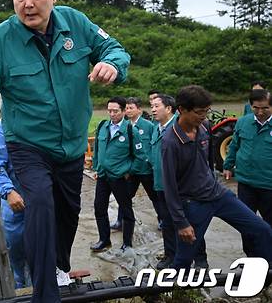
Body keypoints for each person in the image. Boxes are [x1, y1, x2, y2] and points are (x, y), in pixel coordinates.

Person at [0, 0, 130, 303]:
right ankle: (46, 294)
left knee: (69, 214)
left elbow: (115, 49)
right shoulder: (0, 41)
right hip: (28, 145)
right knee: (40, 207)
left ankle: (59, 266)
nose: (27, 4)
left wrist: (111, 65)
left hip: (72, 147)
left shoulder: (75, 23)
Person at [162, 85, 272, 269]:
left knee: (262, 229)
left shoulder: (204, 126)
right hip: (194, 203)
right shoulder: (170, 142)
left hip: (219, 195)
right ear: (181, 110)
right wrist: (181, 223)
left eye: (206, 111)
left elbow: (208, 161)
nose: (204, 116)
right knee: (184, 257)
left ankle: (265, 270)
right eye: (199, 112)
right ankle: (173, 290)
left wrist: (213, 181)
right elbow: (169, 186)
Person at [150, 94, 208, 269]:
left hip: (183, 188)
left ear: (169, 109)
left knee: (191, 223)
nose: (152, 109)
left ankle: (200, 259)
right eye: (151, 106)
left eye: (156, 106)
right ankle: (170, 255)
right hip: (162, 185)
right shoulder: (156, 128)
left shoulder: (182, 128)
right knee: (167, 223)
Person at [223, 89, 272, 256]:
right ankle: (251, 257)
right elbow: (234, 145)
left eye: (265, 108)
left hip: (269, 185)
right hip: (246, 184)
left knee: (269, 224)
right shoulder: (243, 122)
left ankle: (269, 260)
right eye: (256, 108)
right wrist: (228, 166)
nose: (260, 112)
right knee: (246, 223)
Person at [91, 97, 140, 252]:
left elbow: (139, 156)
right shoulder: (103, 126)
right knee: (99, 207)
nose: (112, 114)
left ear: (124, 111)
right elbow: (97, 149)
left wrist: (127, 171)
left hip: (120, 176)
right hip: (103, 175)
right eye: (109, 111)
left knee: (126, 209)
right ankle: (104, 240)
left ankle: (127, 243)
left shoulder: (130, 129)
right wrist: (96, 167)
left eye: (115, 111)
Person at [0, 119, 32, 289]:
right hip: (13, 196)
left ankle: (34, 281)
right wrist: (8, 191)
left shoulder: (41, 120)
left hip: (38, 194)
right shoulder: (3, 126)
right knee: (14, 242)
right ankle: (18, 280)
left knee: (39, 243)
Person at [111, 97, 160, 231]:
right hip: (131, 170)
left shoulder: (148, 126)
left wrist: (152, 163)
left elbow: (154, 145)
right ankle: (120, 221)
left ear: (139, 110)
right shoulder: (124, 126)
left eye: (131, 108)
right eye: (126, 108)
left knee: (154, 196)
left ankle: (162, 219)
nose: (128, 111)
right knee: (125, 197)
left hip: (146, 169)